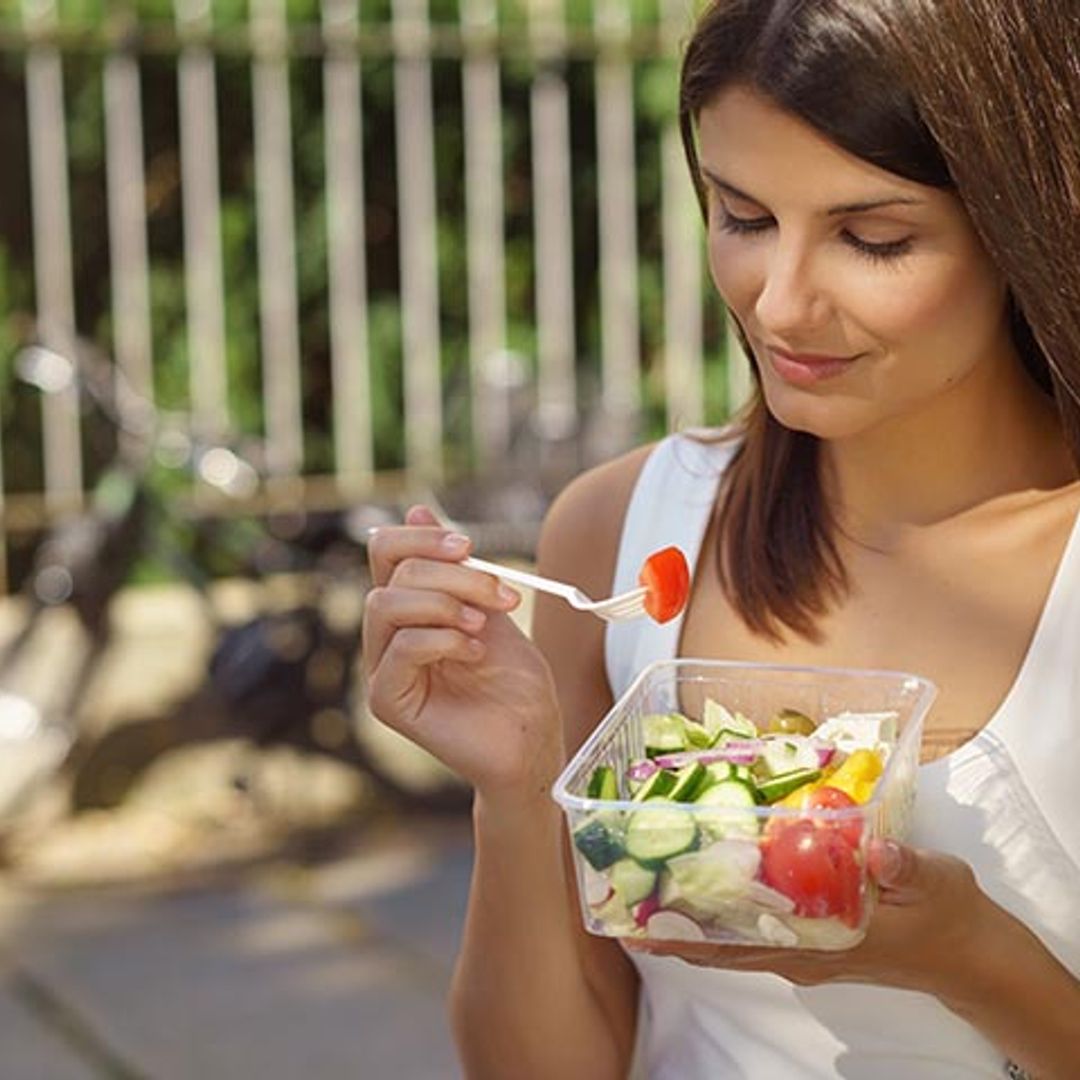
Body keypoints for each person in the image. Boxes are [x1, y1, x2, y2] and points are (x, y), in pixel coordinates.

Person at [362, 0, 1080, 1075]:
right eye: (743, 217)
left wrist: (970, 957)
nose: (780, 304)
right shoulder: (624, 531)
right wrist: (517, 794)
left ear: (1019, 222)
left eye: (872, 238)